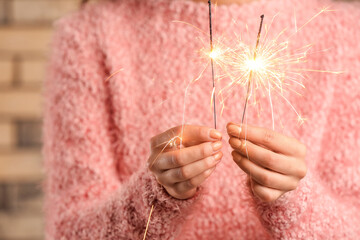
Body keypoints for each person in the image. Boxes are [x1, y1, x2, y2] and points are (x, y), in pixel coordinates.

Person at [42, 0, 360, 239]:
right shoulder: (88, 35)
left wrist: (293, 201)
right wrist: (155, 198)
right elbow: (70, 231)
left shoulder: (346, 33)